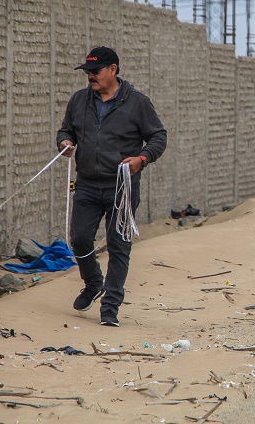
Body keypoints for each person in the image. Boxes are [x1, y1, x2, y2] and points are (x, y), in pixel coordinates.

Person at [57, 46, 167, 327]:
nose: (90, 76)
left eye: (95, 71)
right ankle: (94, 283)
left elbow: (158, 137)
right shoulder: (79, 100)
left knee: (119, 246)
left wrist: (142, 159)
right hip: (87, 185)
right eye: (87, 72)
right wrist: (65, 143)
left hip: (122, 188)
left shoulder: (137, 103)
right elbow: (66, 130)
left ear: (113, 70)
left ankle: (110, 308)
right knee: (80, 239)